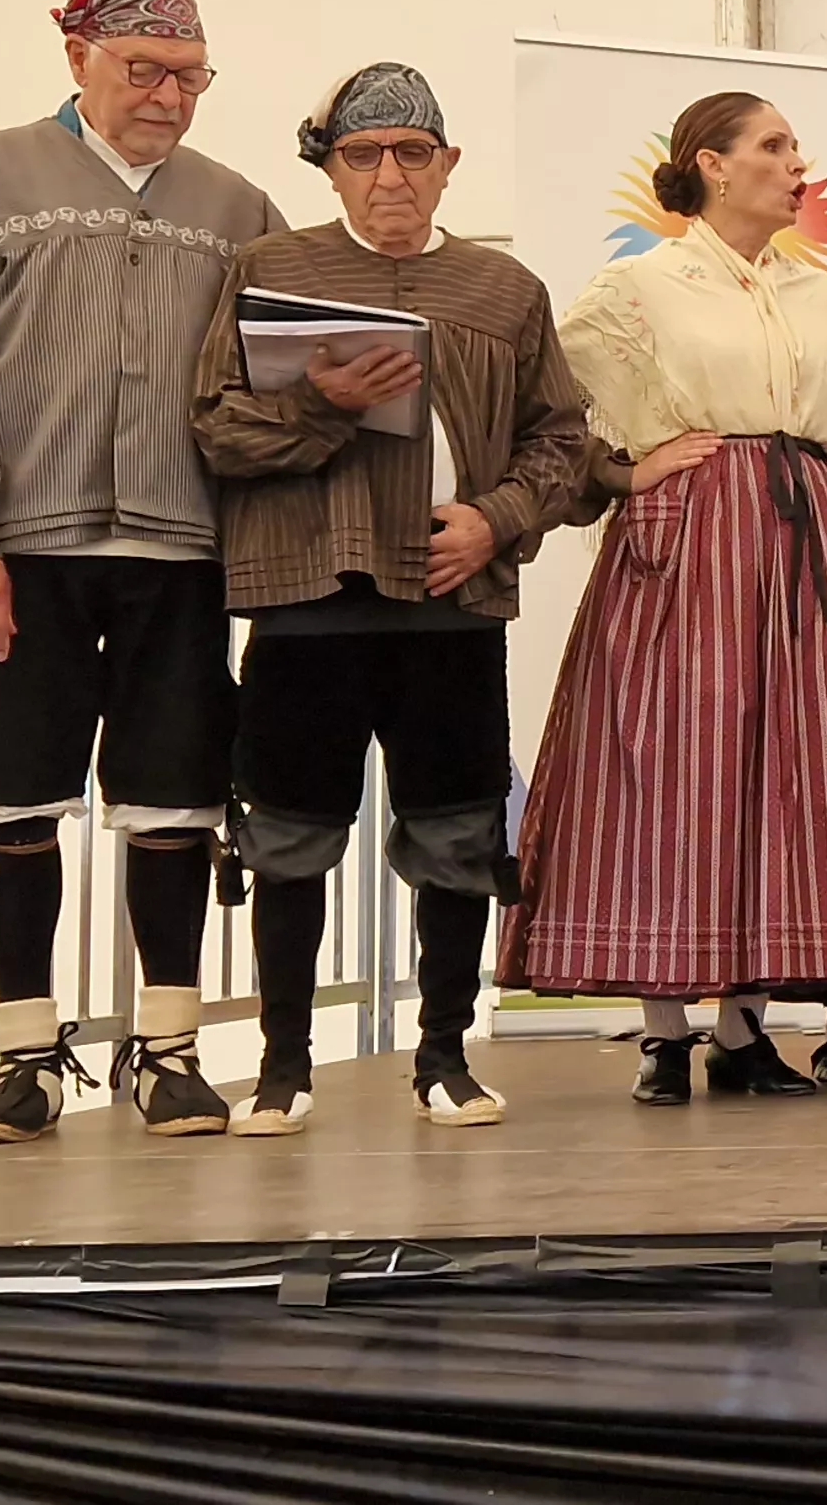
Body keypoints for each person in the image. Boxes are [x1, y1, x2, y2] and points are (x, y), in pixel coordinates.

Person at [0, 0, 286, 1144]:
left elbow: (267, 386)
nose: (167, 97)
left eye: (192, 77)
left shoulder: (237, 208)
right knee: (9, 796)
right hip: (25, 547)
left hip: (185, 551)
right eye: (145, 68)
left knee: (175, 799)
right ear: (78, 57)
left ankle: (167, 1051)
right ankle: (26, 1059)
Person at [501, 91, 827, 1105]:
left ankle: (741, 1029)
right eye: (776, 146)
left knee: (784, 782)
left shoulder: (818, 294)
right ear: (712, 164)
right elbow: (552, 414)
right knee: (675, 773)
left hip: (811, 551)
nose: (797, 164)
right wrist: (628, 473)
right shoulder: (639, 287)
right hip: (692, 547)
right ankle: (666, 1035)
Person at [188, 63, 588, 1134]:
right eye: (364, 155)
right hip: (305, 593)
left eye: (414, 152)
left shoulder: (506, 291)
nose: (391, 176)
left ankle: (445, 1059)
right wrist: (321, 406)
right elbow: (216, 428)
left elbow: (565, 441)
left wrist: (495, 519)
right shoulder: (271, 269)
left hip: (450, 597)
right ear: (330, 168)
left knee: (458, 831)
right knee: (289, 832)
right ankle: (281, 1068)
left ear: (449, 166)